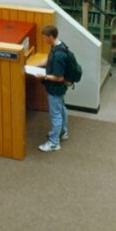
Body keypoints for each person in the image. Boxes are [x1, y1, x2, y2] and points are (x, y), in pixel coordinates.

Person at [33, 25, 69, 153]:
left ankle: (54, 143)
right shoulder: (59, 45)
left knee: (55, 115)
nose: (43, 40)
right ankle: (63, 131)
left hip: (55, 88)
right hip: (59, 88)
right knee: (61, 109)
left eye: (44, 38)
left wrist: (44, 75)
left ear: (51, 37)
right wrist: (33, 65)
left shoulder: (59, 55)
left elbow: (59, 78)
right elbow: (48, 60)